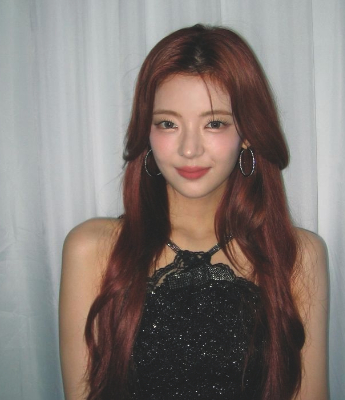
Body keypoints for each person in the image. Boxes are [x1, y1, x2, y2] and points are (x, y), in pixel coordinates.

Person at [59, 24, 328, 400]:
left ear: (248, 132)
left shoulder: (297, 253)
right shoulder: (92, 249)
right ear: (147, 132)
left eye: (214, 123)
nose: (189, 149)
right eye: (168, 123)